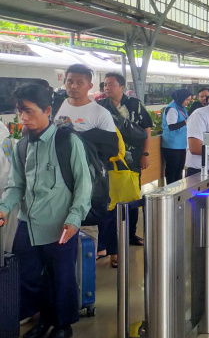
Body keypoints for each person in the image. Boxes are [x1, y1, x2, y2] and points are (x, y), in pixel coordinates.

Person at [0, 84, 92, 338]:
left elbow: (83, 186)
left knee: (60, 277)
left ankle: (62, 325)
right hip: (28, 223)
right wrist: (4, 207)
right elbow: (16, 184)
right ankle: (43, 318)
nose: (23, 118)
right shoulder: (22, 145)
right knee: (29, 276)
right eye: (19, 112)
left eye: (28, 111)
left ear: (48, 111)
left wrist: (74, 219)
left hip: (60, 225)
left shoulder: (67, 142)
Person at [54, 64, 118, 265]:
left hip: (88, 183)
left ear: (89, 85)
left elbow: (111, 150)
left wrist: (81, 140)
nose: (73, 86)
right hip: (58, 182)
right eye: (70, 81)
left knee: (86, 227)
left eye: (79, 82)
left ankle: (85, 275)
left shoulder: (100, 113)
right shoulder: (56, 108)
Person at [98, 73, 153, 247]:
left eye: (111, 84)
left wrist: (145, 154)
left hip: (132, 159)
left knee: (131, 196)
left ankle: (130, 234)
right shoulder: (100, 106)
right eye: (105, 85)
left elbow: (147, 128)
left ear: (122, 87)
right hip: (107, 160)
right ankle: (109, 239)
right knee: (108, 197)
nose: (107, 88)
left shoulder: (134, 105)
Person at [161, 89, 192, 184]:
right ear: (181, 98)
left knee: (179, 169)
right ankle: (171, 190)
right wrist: (185, 122)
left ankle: (178, 191)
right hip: (172, 145)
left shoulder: (181, 108)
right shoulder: (172, 109)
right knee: (172, 169)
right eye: (186, 100)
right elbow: (172, 126)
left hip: (181, 144)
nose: (188, 102)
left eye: (189, 100)